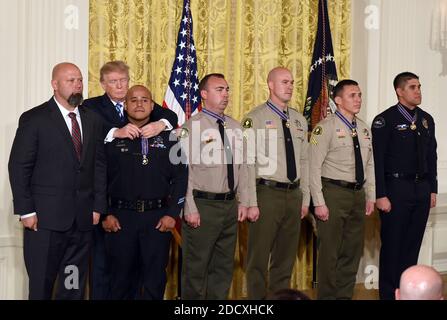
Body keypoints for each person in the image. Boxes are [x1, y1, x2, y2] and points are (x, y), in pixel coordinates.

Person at [8, 62, 107, 299]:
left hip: (82, 220)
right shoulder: (35, 118)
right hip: (45, 221)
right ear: (55, 84)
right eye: (70, 80)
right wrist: (26, 211)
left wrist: (97, 206)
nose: (77, 85)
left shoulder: (92, 119)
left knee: (73, 285)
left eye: (80, 80)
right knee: (41, 284)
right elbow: (19, 166)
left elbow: (98, 165)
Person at [82, 60, 178, 299]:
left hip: (152, 213)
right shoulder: (90, 107)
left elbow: (170, 116)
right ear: (103, 83)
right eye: (113, 81)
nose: (119, 85)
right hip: (113, 208)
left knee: (152, 275)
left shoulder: (144, 104)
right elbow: (89, 136)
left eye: (123, 80)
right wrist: (115, 132)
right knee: (109, 272)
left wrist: (160, 124)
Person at [101, 85, 187, 299]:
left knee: (154, 280)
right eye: (133, 100)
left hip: (157, 219)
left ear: (152, 105)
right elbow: (98, 180)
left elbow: (181, 178)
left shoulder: (170, 139)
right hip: (120, 219)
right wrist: (105, 214)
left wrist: (172, 214)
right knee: (120, 280)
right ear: (125, 105)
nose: (139, 104)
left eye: (145, 100)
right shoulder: (112, 138)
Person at [242, 67, 310, 300]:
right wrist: (250, 201)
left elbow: (304, 161)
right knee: (258, 259)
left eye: (291, 82)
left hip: (293, 195)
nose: (289, 86)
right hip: (266, 193)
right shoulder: (255, 118)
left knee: (285, 259)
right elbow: (247, 163)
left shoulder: (300, 120)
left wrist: (305, 199)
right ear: (270, 85)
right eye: (284, 82)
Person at [180, 73, 249, 299]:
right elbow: (184, 171)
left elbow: (243, 168)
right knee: (196, 267)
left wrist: (245, 201)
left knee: (223, 266)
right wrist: (189, 207)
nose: (226, 94)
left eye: (227, 89)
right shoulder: (193, 127)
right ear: (204, 94)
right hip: (203, 204)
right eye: (219, 89)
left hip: (229, 206)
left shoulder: (236, 127)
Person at [371, 72, 438, 300]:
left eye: (419, 86)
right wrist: (380, 194)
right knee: (392, 248)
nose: (418, 91)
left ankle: (408, 294)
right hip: (395, 189)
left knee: (412, 246)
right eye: (412, 87)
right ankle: (389, 296)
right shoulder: (385, 120)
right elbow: (377, 160)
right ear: (400, 91)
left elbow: (432, 157)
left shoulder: (426, 119)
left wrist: (432, 188)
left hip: (421, 189)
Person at [309, 79, 375, 300]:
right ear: (338, 100)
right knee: (329, 252)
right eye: (352, 95)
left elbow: (370, 165)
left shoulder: (364, 129)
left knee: (352, 251)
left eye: (359, 95)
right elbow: (313, 167)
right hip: (333, 193)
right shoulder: (325, 128)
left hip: (357, 195)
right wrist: (318, 202)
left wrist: (370, 196)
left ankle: (344, 297)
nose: (358, 99)